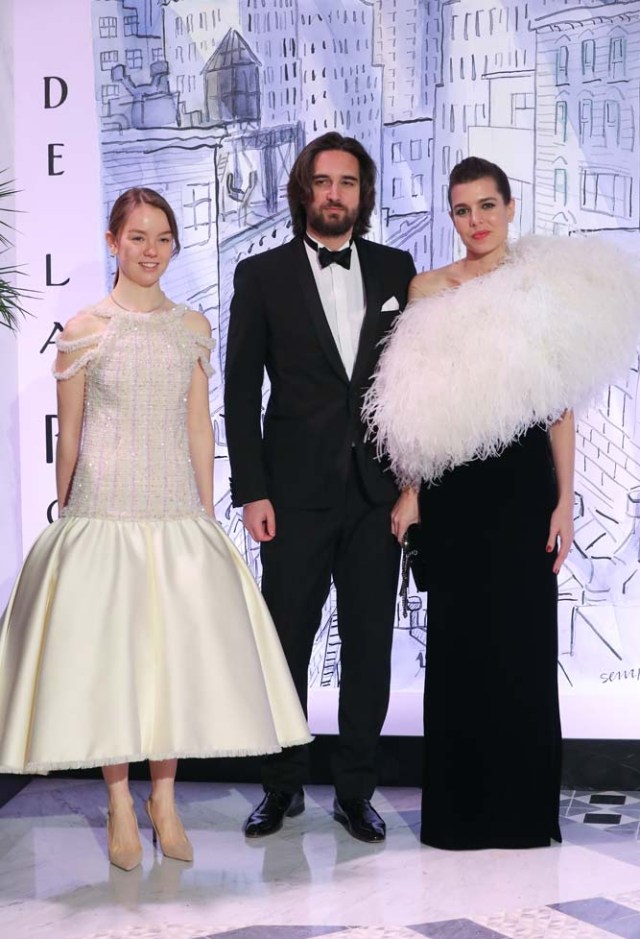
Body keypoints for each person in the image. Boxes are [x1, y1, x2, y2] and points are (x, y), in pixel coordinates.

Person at [0, 187, 311, 870]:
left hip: (174, 507)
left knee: (168, 659)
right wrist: (68, 512)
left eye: (162, 238)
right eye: (137, 237)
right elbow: (71, 431)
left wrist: (202, 509)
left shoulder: (192, 326)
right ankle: (118, 803)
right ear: (113, 241)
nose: (151, 250)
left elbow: (201, 423)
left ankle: (162, 802)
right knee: (112, 660)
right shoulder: (85, 328)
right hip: (104, 508)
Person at [365, 156, 640, 849]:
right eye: (462, 210)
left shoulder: (537, 285)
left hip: (522, 488)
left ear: (511, 207)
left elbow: (560, 408)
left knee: (521, 646)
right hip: (454, 490)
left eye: (487, 206)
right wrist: (412, 494)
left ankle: (521, 815)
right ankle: (457, 817)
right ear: (451, 216)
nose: (476, 222)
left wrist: (564, 502)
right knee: (457, 649)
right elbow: (413, 408)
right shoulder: (427, 289)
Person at [224, 132, 416, 843]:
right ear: (303, 189)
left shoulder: (399, 267)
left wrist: (411, 486)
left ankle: (355, 791)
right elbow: (240, 391)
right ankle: (281, 787)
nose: (336, 194)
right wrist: (252, 490)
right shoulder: (261, 274)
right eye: (323, 181)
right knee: (285, 648)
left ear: (363, 195)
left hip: (376, 495)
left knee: (370, 647)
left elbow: (413, 385)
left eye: (349, 183)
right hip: (292, 496)